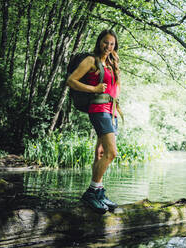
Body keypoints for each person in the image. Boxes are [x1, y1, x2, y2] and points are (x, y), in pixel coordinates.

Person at [67, 29, 120, 214]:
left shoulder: (112, 63)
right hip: (98, 110)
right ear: (99, 42)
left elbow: (115, 89)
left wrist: (115, 111)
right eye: (106, 42)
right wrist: (94, 88)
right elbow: (71, 81)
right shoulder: (91, 61)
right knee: (112, 153)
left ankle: (99, 192)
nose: (109, 46)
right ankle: (91, 192)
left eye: (112, 44)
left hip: (110, 112)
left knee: (101, 153)